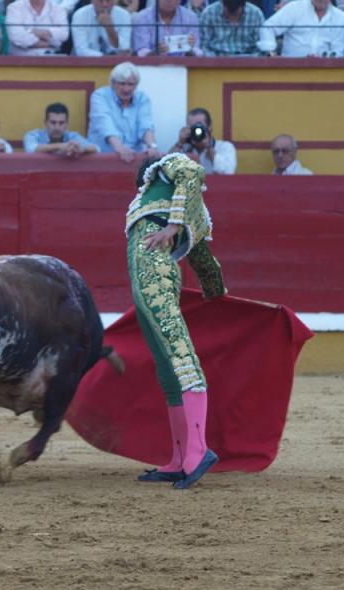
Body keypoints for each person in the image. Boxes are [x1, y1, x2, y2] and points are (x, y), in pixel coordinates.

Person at [126, 152, 225, 489]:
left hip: (154, 275)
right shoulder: (183, 209)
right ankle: (180, 458)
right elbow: (205, 262)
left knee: (180, 354)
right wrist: (216, 292)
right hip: (143, 282)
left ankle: (198, 451)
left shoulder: (167, 167)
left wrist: (171, 226)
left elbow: (193, 170)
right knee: (167, 367)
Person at [87, 62, 161, 163]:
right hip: (103, 161)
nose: (126, 89)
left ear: (136, 85)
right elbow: (105, 125)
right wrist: (120, 149)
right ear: (113, 83)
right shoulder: (100, 96)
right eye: (122, 83)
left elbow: (145, 125)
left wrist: (152, 146)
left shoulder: (142, 98)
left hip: (133, 160)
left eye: (130, 84)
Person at [258, 0, 344, 57]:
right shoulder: (295, 7)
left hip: (325, 71)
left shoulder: (340, 17)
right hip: (290, 68)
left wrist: (321, 59)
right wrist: (269, 51)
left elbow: (338, 52)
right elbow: (268, 27)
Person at [168, 107, 237, 175]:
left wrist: (209, 148)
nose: (196, 130)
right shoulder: (183, 148)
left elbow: (228, 172)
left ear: (209, 127)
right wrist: (180, 142)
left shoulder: (224, 147)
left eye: (199, 126)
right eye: (192, 127)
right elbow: (166, 170)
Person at [23, 102, 98, 157]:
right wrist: (60, 146)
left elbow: (96, 148)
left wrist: (81, 149)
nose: (57, 127)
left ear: (66, 124)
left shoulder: (72, 136)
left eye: (61, 123)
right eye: (53, 122)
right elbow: (30, 149)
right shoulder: (33, 135)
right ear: (45, 123)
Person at [132, 0, 201, 56]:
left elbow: (197, 51)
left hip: (185, 67)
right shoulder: (142, 17)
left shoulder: (191, 17)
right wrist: (155, 52)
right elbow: (140, 52)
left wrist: (190, 50)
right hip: (152, 68)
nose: (169, 1)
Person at [200, 0, 264, 56]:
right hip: (216, 62)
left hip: (250, 62)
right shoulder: (208, 13)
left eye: (236, 14)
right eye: (230, 13)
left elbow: (261, 47)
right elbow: (204, 46)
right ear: (223, 4)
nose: (233, 18)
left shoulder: (256, 14)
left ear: (243, 6)